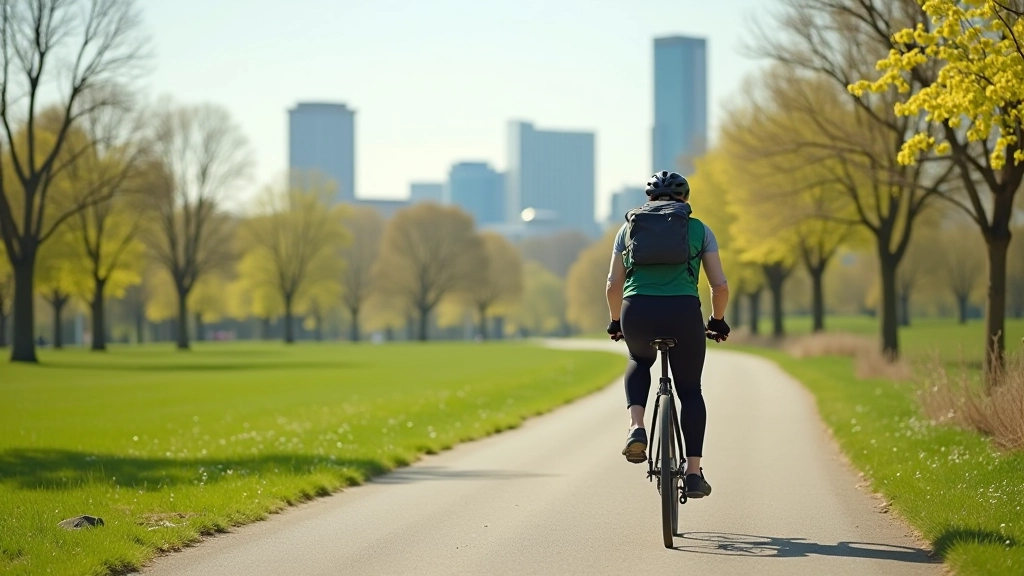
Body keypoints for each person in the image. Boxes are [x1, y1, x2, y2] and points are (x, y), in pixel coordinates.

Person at [605, 170, 730, 499]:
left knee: (638, 359)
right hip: (683, 313)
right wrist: (717, 320)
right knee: (689, 390)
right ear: (684, 199)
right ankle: (692, 472)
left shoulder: (628, 228)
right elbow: (720, 285)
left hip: (638, 311)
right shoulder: (699, 229)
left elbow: (613, 284)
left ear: (649, 199)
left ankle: (636, 427)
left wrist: (616, 320)